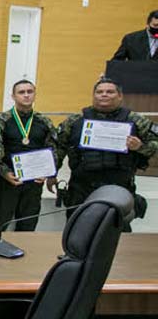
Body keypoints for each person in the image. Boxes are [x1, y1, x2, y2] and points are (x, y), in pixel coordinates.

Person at [52, 78, 157, 231]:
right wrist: (51, 173)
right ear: (93, 96)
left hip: (119, 189)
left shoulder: (136, 120)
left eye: (110, 92)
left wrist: (140, 147)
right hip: (81, 190)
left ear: (120, 96)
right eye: (99, 92)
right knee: (77, 233)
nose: (104, 95)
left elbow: (155, 144)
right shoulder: (75, 121)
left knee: (115, 235)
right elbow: (58, 147)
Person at [0, 80, 57, 232]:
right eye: (21, 92)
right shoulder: (1, 120)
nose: (26, 95)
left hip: (34, 182)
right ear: (13, 96)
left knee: (28, 225)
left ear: (34, 95)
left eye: (29, 92)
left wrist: (46, 173)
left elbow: (53, 150)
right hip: (7, 181)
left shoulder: (44, 121)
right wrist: (5, 173)